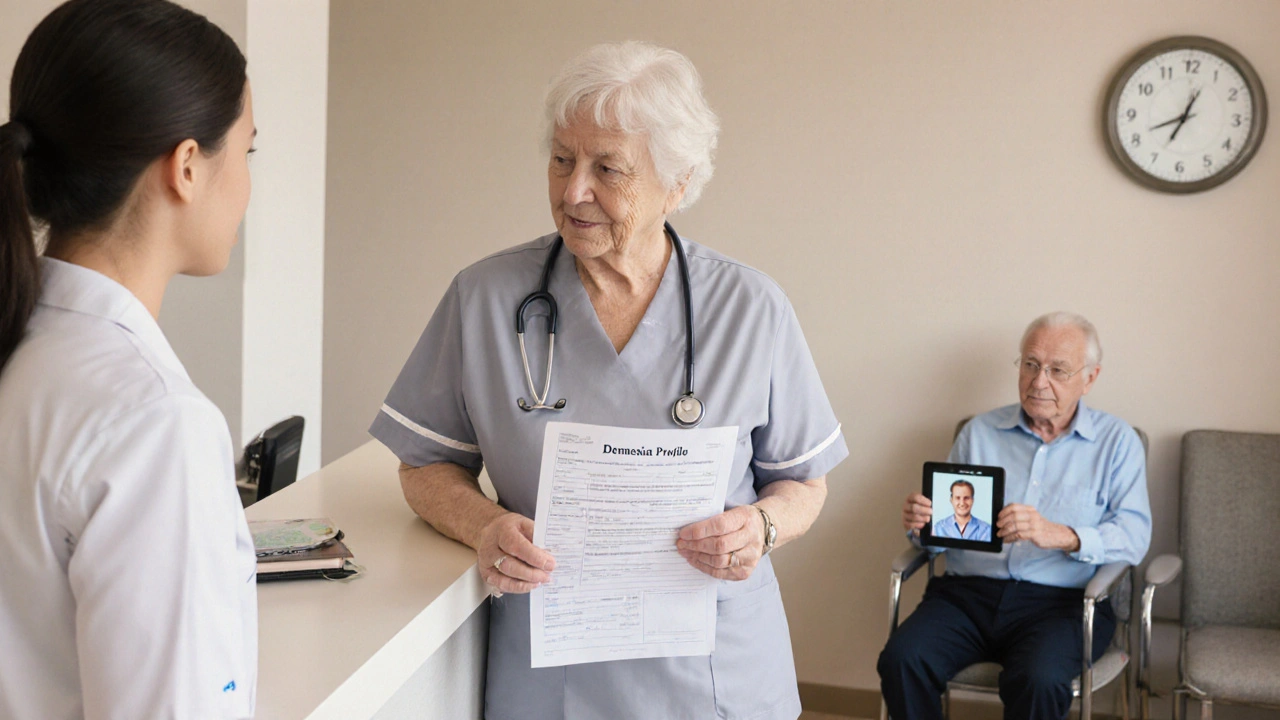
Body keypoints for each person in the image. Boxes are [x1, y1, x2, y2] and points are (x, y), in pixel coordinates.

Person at [370, 41, 847, 720]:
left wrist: (762, 529)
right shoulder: (484, 298)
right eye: (562, 159)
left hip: (714, 674)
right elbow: (424, 467)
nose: (573, 191)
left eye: (608, 168)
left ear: (677, 185)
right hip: (551, 672)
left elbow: (804, 482)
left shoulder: (751, 308)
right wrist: (484, 525)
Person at [0, 1, 258, 717]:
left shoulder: (26, 346)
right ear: (185, 167)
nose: (246, 186)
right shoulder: (154, 422)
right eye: (247, 152)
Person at [879, 312, 1151, 720]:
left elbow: (1134, 536)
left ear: (1090, 378)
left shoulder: (1117, 443)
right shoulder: (979, 432)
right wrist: (924, 525)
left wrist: (1060, 534)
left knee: (1039, 679)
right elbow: (940, 537)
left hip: (1062, 604)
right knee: (902, 659)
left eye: (1058, 370)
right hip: (966, 595)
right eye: (1030, 365)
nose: (1039, 381)